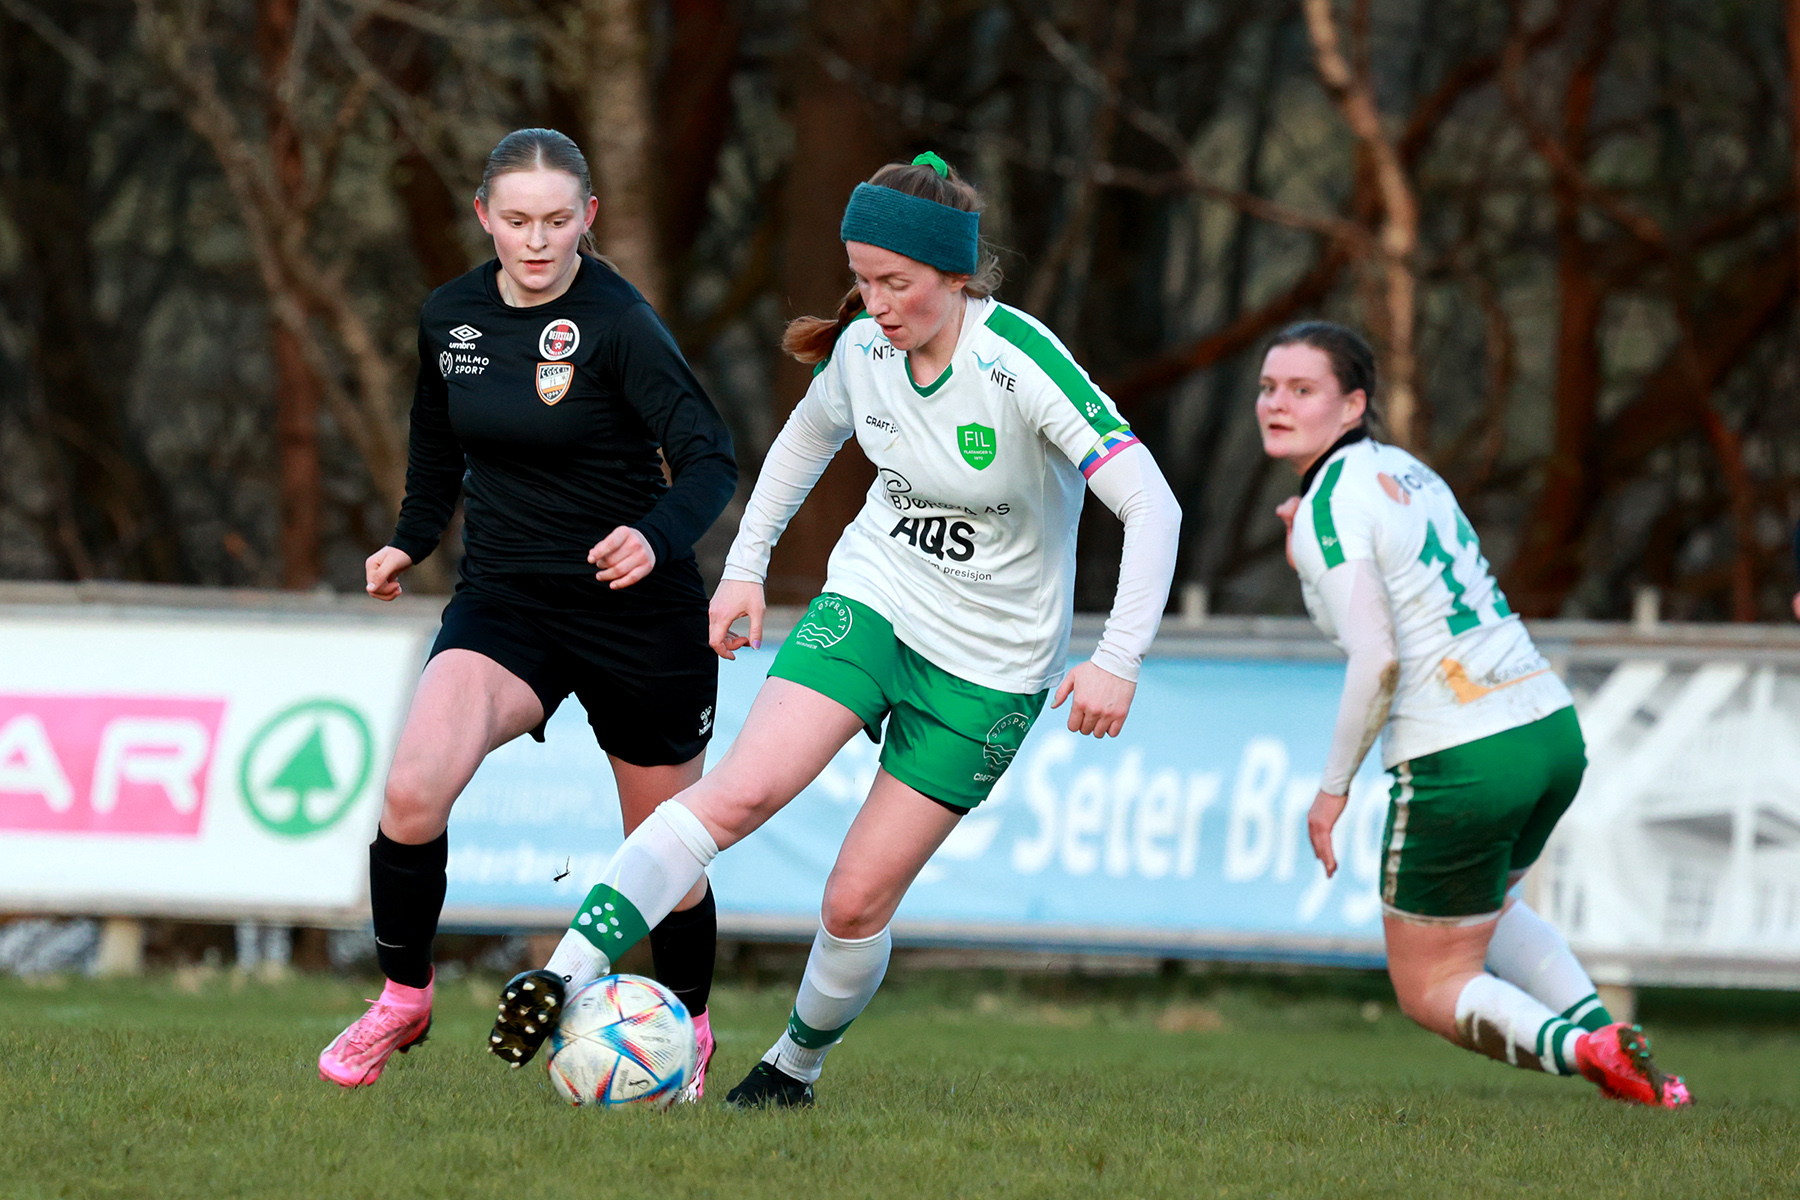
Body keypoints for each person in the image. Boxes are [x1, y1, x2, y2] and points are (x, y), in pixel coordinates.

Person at [484, 152, 1182, 1106]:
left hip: (992, 665)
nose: (876, 303)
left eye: (896, 283)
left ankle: (791, 1070)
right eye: (861, 279)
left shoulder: (1018, 363)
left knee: (854, 902)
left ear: (955, 275)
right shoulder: (863, 352)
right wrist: (742, 571)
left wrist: (1118, 660)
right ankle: (562, 975)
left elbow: (1152, 504)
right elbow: (802, 445)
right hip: (874, 601)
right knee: (737, 794)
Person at [317, 128, 737, 1095]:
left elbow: (709, 456)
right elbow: (436, 447)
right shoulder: (451, 318)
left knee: (666, 847)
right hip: (507, 600)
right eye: (517, 221)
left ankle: (690, 1029)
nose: (537, 241)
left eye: (557, 221)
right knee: (413, 790)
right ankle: (403, 998)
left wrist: (655, 536)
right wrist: (409, 540)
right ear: (485, 219)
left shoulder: (622, 323)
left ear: (589, 217)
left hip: (638, 612)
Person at [1261, 321, 1690, 1107]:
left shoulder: (1328, 505)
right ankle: (1624, 1047)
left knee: (1431, 983)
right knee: (1488, 910)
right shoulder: (1405, 472)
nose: (1275, 403)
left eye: (1302, 389)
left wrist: (1331, 789)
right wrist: (1311, 564)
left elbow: (1377, 656)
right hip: (1547, 728)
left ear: (1353, 404)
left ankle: (1590, 1051)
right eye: (1268, 387)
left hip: (1462, 750)